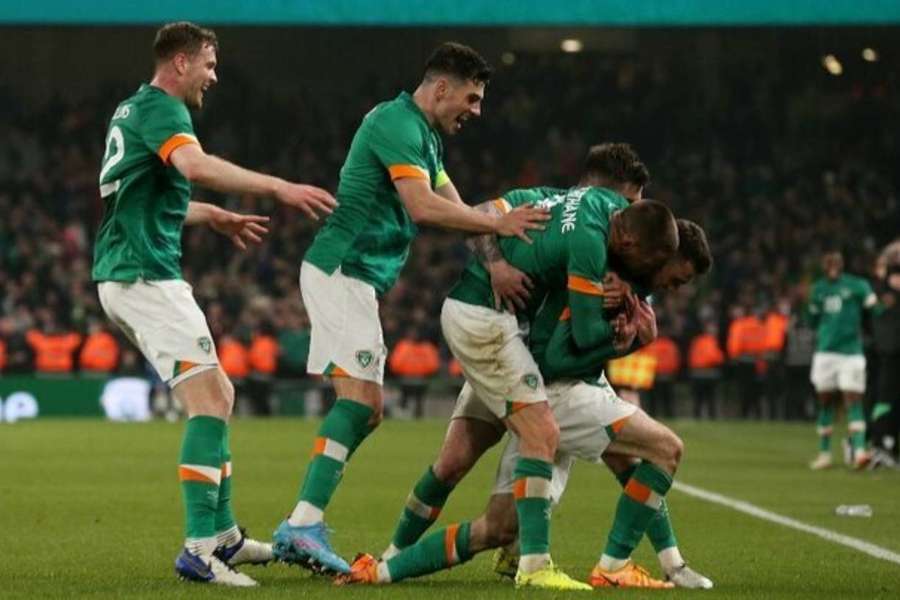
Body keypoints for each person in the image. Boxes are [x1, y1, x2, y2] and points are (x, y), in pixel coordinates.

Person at [274, 41, 548, 575]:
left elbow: (456, 207)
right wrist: (498, 224)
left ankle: (302, 523)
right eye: (470, 98)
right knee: (360, 405)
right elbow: (423, 208)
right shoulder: (395, 124)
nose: (476, 111)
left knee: (366, 408)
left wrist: (492, 260)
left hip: (356, 278)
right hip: (340, 269)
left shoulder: (424, 138)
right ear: (441, 87)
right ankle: (301, 525)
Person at [371, 145, 683, 590]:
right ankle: (538, 566)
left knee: (455, 462)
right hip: (489, 323)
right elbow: (477, 215)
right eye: (632, 199)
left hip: (508, 340)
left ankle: (391, 561)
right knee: (545, 433)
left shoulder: (562, 210)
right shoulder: (568, 221)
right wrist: (497, 264)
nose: (633, 209)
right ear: (611, 192)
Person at [92, 21, 336, 587]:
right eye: (208, 63)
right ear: (180, 63)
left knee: (220, 393)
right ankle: (200, 548)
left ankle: (223, 535)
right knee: (207, 400)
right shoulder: (165, 111)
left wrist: (211, 216)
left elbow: (140, 202)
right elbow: (196, 167)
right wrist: (278, 187)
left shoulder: (131, 111)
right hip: (143, 276)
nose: (214, 75)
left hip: (131, 271)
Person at [807, 251, 881, 470]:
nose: (833, 265)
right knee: (825, 400)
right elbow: (812, 320)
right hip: (826, 352)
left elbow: (875, 308)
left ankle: (859, 451)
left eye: (836, 261)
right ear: (824, 265)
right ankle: (824, 453)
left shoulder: (857, 285)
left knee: (853, 398)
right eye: (829, 262)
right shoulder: (818, 289)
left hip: (851, 352)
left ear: (842, 264)